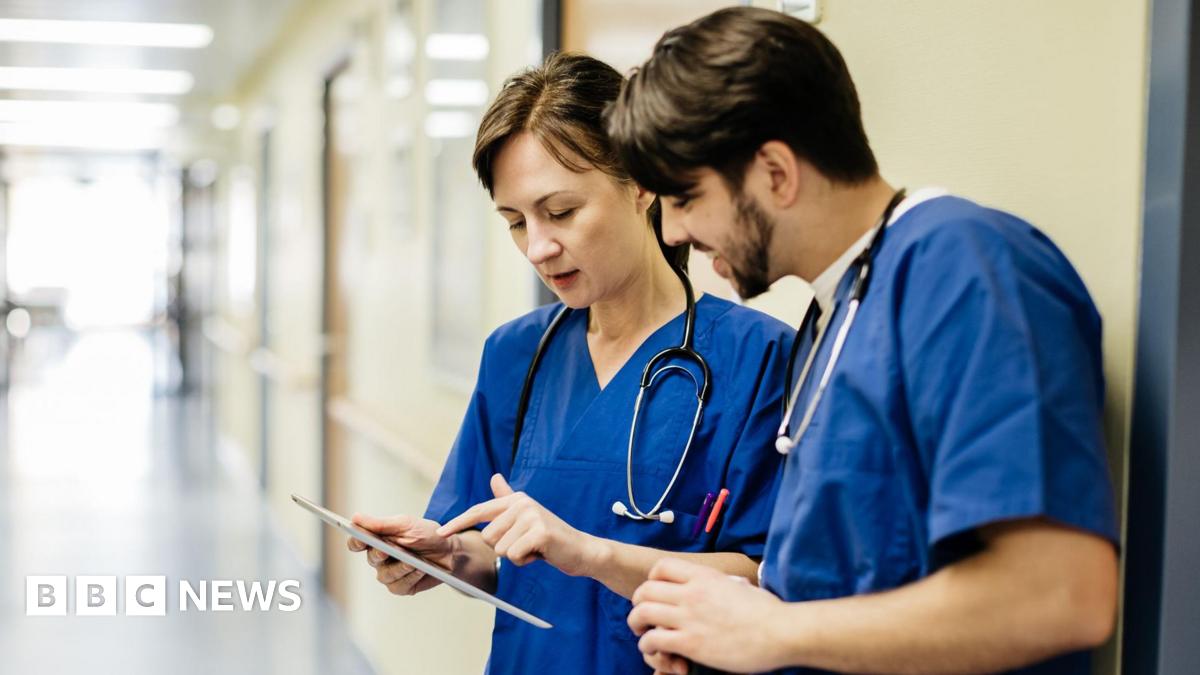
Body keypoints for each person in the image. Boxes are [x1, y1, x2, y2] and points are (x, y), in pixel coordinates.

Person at [606, 7, 1120, 674]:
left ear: (775, 173)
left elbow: (1062, 592)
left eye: (685, 197)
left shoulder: (965, 270)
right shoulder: (834, 310)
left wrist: (776, 632)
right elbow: (854, 575)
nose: (672, 233)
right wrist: (723, 618)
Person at [347, 51, 793, 674]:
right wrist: (445, 557)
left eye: (561, 212)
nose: (538, 247)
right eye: (514, 222)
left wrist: (589, 554)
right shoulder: (515, 355)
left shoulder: (758, 356)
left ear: (640, 183)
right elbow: (485, 544)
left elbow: (767, 576)